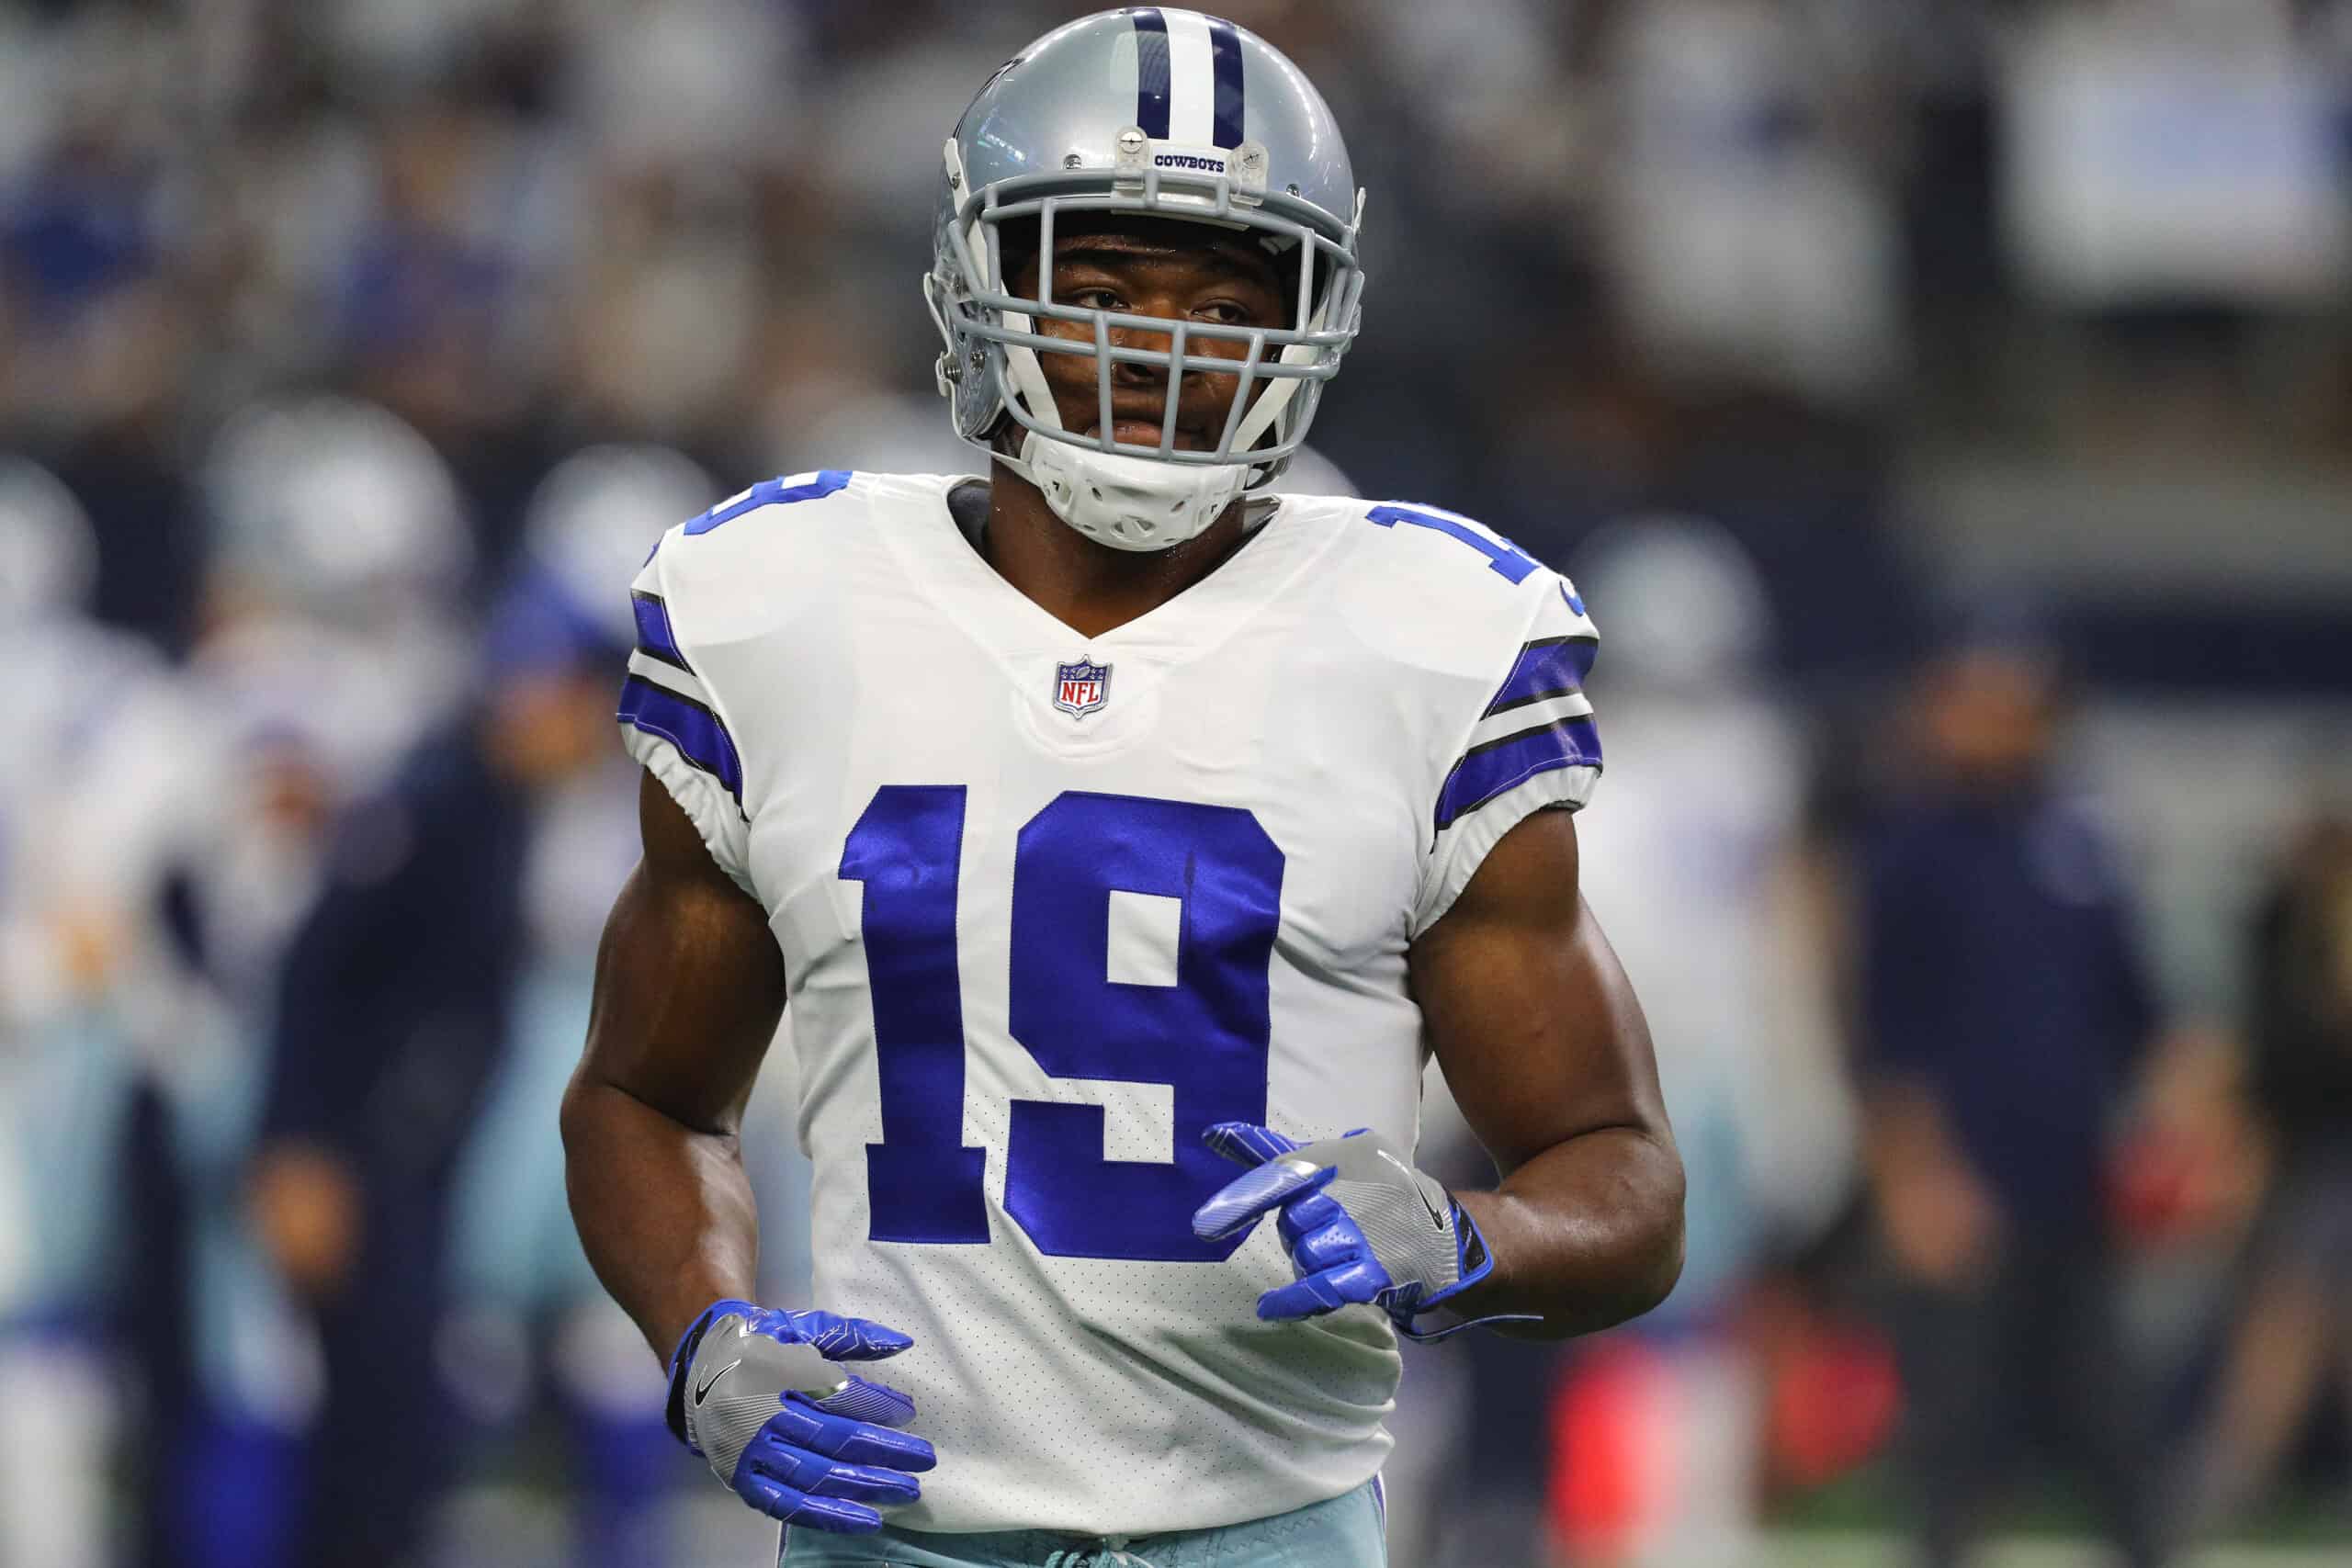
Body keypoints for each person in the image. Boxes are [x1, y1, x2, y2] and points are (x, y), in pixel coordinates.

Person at [562, 12, 1685, 1567]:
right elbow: (641, 1093)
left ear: (1312, 319)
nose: (1161, 347)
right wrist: (707, 1337)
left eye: (1227, 302)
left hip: (1261, 1530)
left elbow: (1622, 1176)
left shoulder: (1428, 640)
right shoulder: (787, 610)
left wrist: (1465, 1233)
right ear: (981, 286)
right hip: (897, 1528)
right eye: (1095, 292)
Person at [1853, 612, 2168, 1568]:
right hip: (1962, 1199)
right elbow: (1882, 1036)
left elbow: (2134, 1011)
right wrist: (1914, 1184)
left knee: (2117, 1441)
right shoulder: (1910, 847)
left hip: (2075, 1187)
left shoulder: (2079, 839)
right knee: (1957, 1452)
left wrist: (2179, 1131)